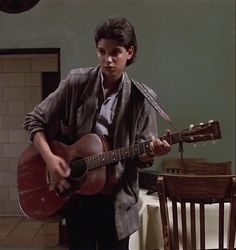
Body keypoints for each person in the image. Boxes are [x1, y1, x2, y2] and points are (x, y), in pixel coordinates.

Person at [23, 16, 171, 250]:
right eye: (102, 51)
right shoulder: (76, 82)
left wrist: (151, 151)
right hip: (77, 198)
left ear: (129, 53)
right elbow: (34, 120)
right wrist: (51, 161)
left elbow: (143, 156)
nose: (107, 60)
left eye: (115, 53)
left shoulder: (141, 99)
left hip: (116, 205)